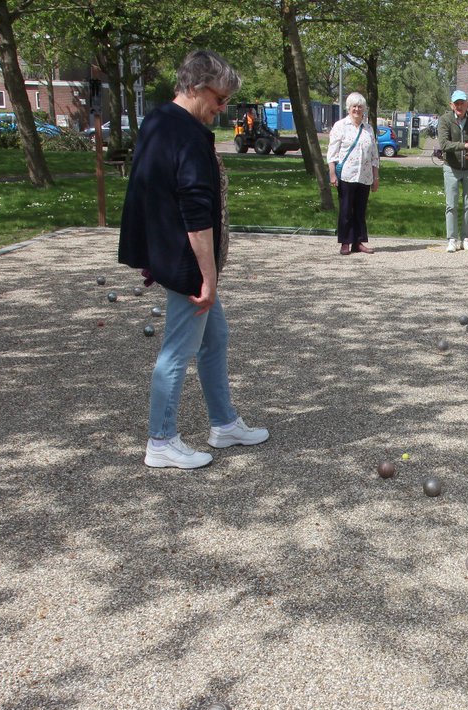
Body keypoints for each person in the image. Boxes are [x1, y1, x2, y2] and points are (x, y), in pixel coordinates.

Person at [119, 50, 268, 470]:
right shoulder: (186, 134)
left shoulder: (158, 119)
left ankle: (223, 424)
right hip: (186, 259)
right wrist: (207, 276)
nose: (222, 109)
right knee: (177, 351)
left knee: (215, 337)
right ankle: (161, 440)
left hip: (168, 250)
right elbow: (195, 213)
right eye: (219, 99)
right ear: (199, 87)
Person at [326, 92, 380, 256]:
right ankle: (345, 242)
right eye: (354, 106)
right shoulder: (340, 126)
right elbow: (332, 152)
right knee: (346, 209)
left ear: (364, 109)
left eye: (360, 107)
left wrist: (375, 177)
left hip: (364, 176)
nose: (357, 109)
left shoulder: (368, 128)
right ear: (348, 108)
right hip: (346, 175)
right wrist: (332, 173)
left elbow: (374, 155)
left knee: (360, 210)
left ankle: (358, 241)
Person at [437, 89, 468, 253]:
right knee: (451, 205)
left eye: (462, 103)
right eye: (456, 103)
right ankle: (452, 239)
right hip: (451, 167)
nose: (459, 106)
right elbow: (444, 145)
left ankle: (466, 238)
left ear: (467, 104)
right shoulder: (445, 120)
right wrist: (464, 146)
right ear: (451, 105)